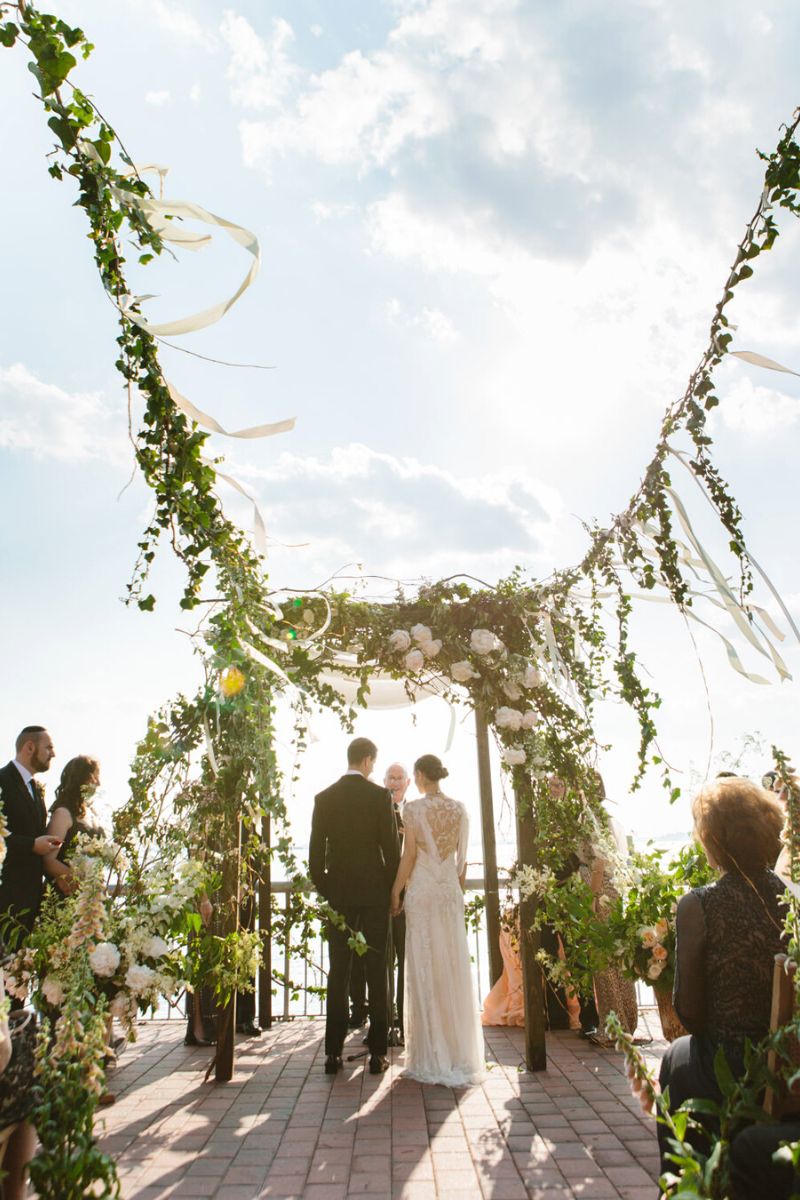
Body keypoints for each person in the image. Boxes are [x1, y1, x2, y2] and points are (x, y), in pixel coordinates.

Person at [657, 777, 787, 1176]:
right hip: (790, 1060)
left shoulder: (698, 904)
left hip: (734, 1065)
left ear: (712, 839)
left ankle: (687, 1181)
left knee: (676, 1057)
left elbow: (690, 1012)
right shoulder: (792, 899)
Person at [391, 754, 484, 1086]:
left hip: (423, 892)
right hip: (448, 894)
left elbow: (410, 856)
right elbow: (463, 862)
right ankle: (459, 1053)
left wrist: (395, 891)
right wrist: (455, 891)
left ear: (418, 775)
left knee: (425, 966)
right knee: (452, 966)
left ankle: (432, 1053)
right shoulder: (459, 809)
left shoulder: (413, 810)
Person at [309, 737, 400, 1075]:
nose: (374, 770)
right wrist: (393, 894)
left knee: (339, 974)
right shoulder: (380, 798)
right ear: (366, 761)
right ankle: (377, 1053)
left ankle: (332, 1054)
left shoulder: (324, 798)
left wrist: (330, 891)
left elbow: (315, 859)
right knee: (378, 972)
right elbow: (392, 852)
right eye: (374, 764)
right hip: (375, 896)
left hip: (340, 898)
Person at [350, 762, 409, 1034]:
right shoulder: (372, 812)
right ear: (383, 781)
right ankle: (380, 1018)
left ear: (408, 782)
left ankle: (404, 1017)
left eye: (400, 778)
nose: (395, 782)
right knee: (378, 963)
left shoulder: (415, 813)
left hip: (409, 899)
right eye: (390, 777)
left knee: (406, 959)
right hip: (377, 900)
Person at [0, 727, 65, 939]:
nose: (53, 754)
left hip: (30, 902)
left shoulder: (35, 789)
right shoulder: (2, 780)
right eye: (48, 748)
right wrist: (32, 845)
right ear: (30, 747)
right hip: (6, 899)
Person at [43, 755, 106, 891]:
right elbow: (49, 860)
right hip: (66, 895)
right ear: (82, 778)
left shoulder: (93, 813)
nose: (99, 783)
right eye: (95, 777)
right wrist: (79, 880)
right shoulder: (63, 814)